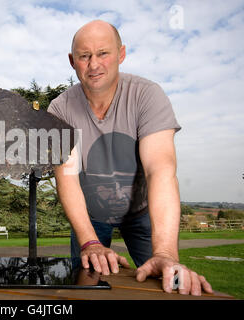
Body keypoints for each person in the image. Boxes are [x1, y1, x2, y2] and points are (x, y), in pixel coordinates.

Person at [48, 20, 213, 296]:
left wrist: (166, 252)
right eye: (84, 56)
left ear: (121, 54)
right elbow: (67, 176)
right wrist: (89, 242)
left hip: (141, 211)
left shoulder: (147, 96)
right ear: (72, 61)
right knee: (84, 287)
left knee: (166, 278)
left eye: (103, 53)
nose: (94, 64)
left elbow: (159, 170)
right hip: (92, 214)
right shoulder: (59, 109)